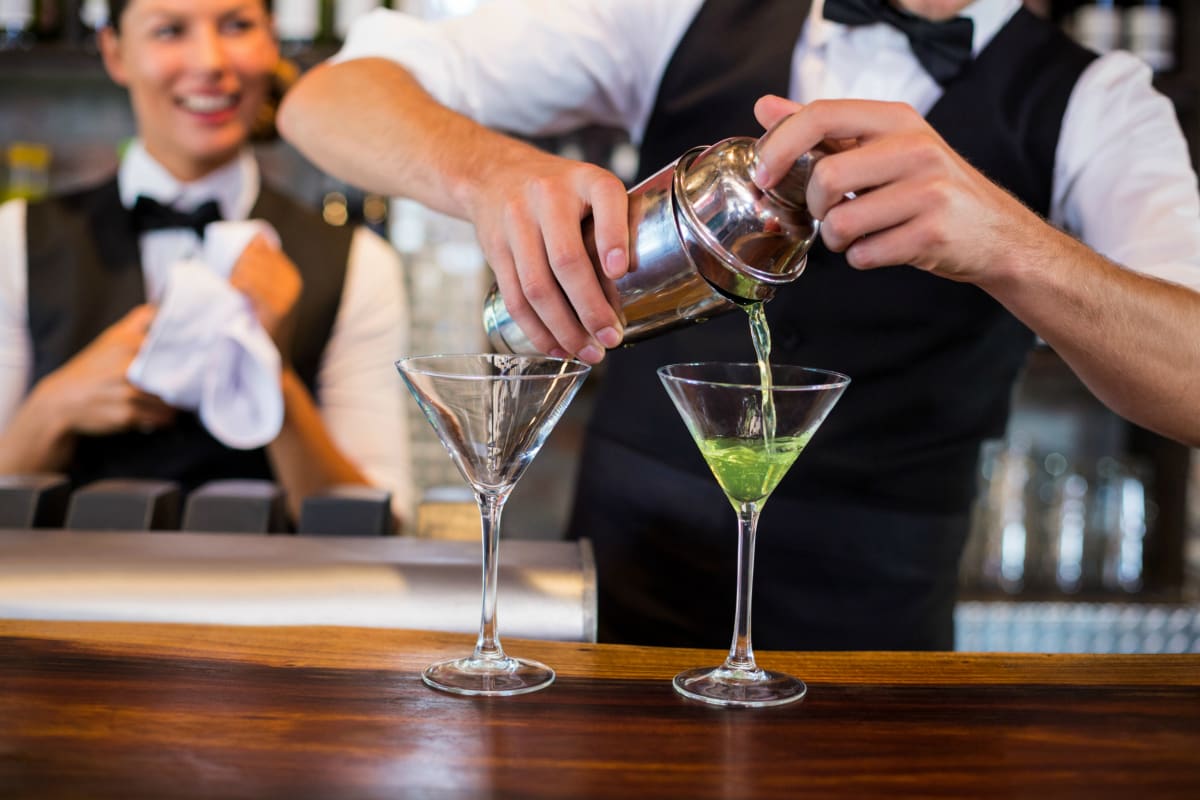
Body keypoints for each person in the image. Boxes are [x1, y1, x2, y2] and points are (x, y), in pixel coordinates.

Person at [277, 0, 1200, 648]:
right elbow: (326, 100)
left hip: (880, 645)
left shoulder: (1099, 99)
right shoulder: (678, 10)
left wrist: (1010, 244)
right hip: (618, 602)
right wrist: (487, 175)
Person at [0, 0, 412, 527]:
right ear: (114, 51)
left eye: (237, 26)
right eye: (170, 30)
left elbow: (384, 524)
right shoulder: (18, 239)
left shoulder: (360, 264)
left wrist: (273, 381)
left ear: (271, 42)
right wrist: (53, 409)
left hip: (276, 604)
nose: (210, 61)